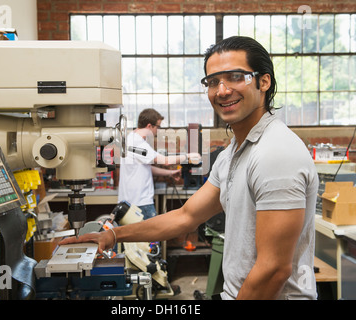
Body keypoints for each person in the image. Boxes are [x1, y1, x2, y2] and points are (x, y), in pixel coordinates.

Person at [60, 36, 319, 300]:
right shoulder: (234, 152)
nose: (222, 90)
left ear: (264, 81)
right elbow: (185, 216)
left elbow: (274, 269)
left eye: (235, 77)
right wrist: (112, 236)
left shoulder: (276, 152)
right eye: (213, 81)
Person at [118, 108, 201, 220]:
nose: (158, 130)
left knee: (142, 237)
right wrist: (188, 156)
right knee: (153, 236)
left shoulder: (132, 138)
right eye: (158, 127)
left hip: (133, 201)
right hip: (140, 202)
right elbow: (165, 161)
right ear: (149, 126)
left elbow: (145, 168)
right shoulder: (136, 142)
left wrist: (170, 173)